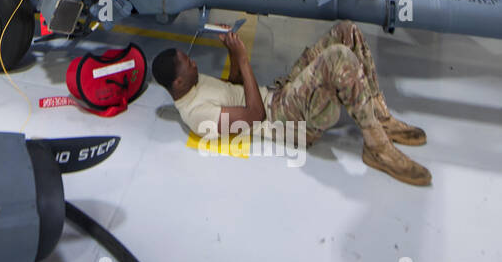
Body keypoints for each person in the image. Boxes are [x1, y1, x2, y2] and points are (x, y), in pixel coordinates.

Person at [153, 21, 431, 186]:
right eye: (188, 63)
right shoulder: (197, 116)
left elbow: (234, 88)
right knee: (337, 57)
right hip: (286, 120)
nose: (194, 62)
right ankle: (376, 147)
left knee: (346, 31)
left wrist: (232, 55)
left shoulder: (193, 83)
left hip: (279, 95)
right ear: (178, 83)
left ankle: (380, 118)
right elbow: (254, 114)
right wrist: (244, 59)